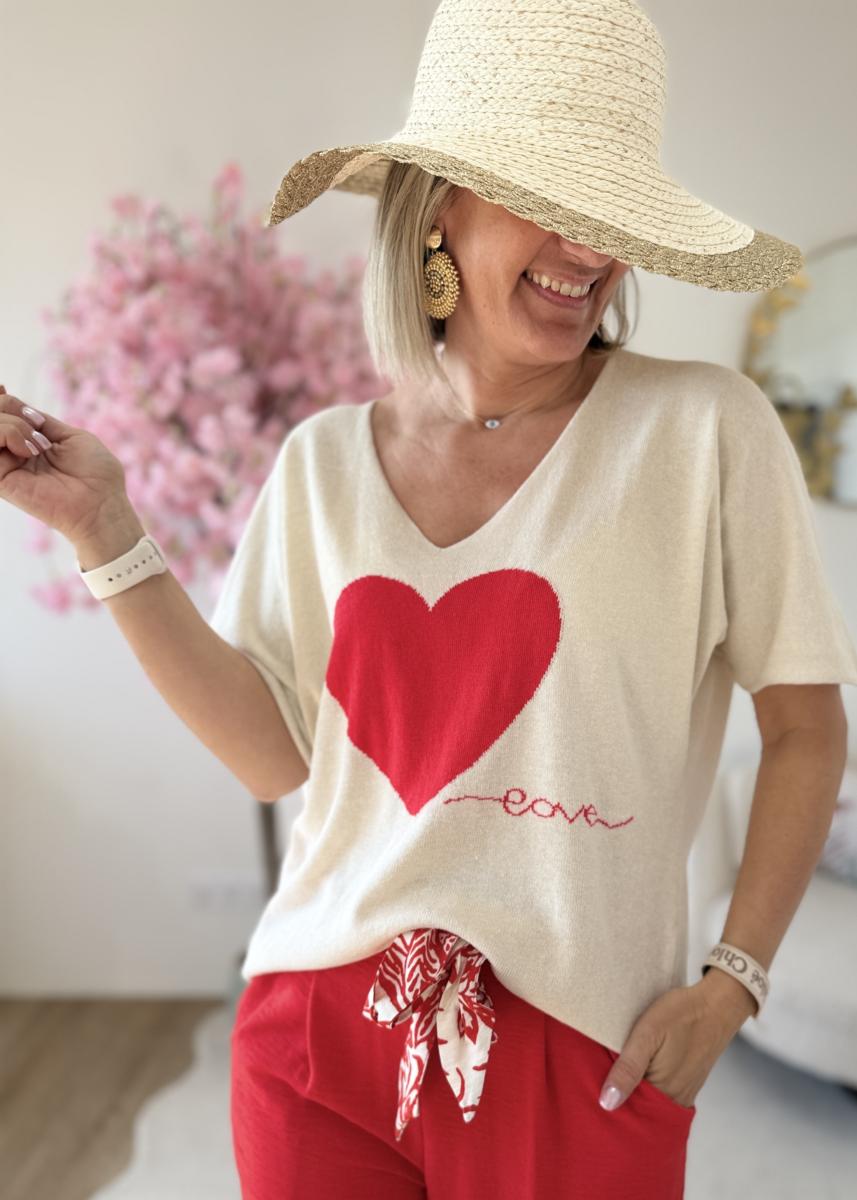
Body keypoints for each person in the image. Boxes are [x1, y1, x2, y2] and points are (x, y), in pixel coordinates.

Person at [2, 2, 855, 1197]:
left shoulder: (702, 432)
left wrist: (733, 983)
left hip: (584, 1042)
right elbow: (272, 757)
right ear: (437, 203)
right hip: (319, 1030)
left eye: (610, 213)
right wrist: (107, 530)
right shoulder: (322, 463)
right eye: (547, 198)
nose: (587, 248)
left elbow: (805, 727)